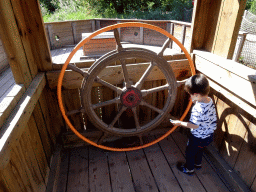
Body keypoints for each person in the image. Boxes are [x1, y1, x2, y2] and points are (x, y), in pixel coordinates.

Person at [171, 74, 217, 175]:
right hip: (208, 135)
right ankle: (198, 164)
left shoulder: (198, 109)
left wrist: (180, 123)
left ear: (196, 95)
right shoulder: (209, 100)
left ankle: (189, 169)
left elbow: (194, 125)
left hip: (197, 137)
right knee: (200, 150)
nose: (190, 96)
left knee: (190, 153)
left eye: (190, 94)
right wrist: (195, 99)